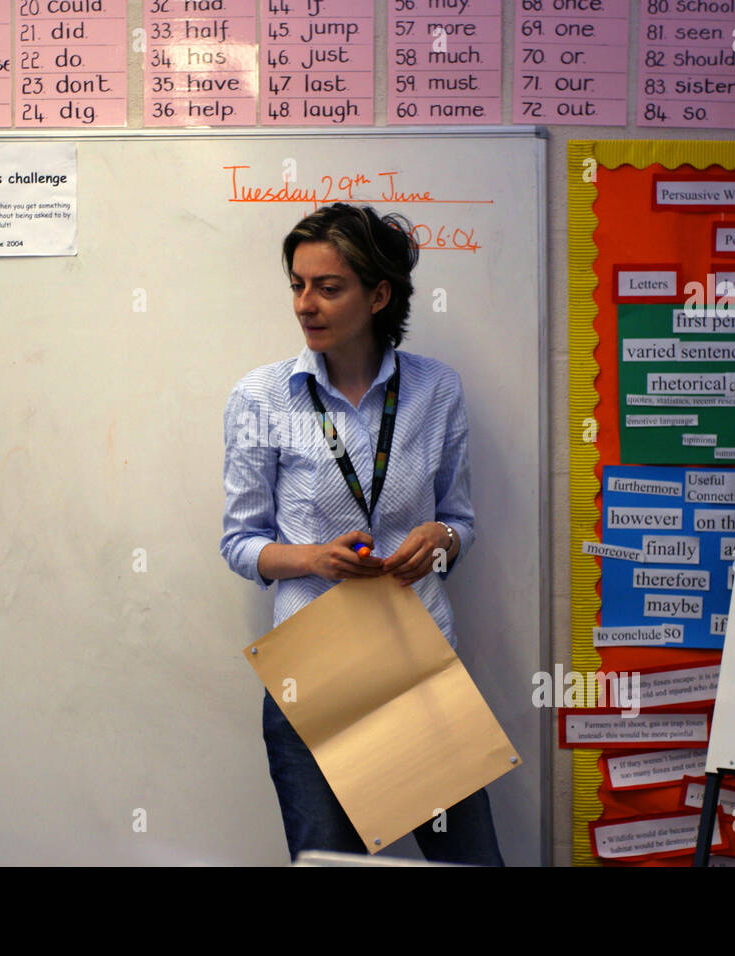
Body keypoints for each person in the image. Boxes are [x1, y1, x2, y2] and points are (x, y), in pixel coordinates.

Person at [220, 203, 504, 865]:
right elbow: (240, 542)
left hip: (417, 663)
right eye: (297, 285)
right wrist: (313, 558)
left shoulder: (437, 389)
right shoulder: (261, 396)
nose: (306, 304)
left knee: (471, 863)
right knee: (331, 865)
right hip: (312, 674)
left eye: (328, 286)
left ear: (379, 295)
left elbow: (460, 521)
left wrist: (443, 538)